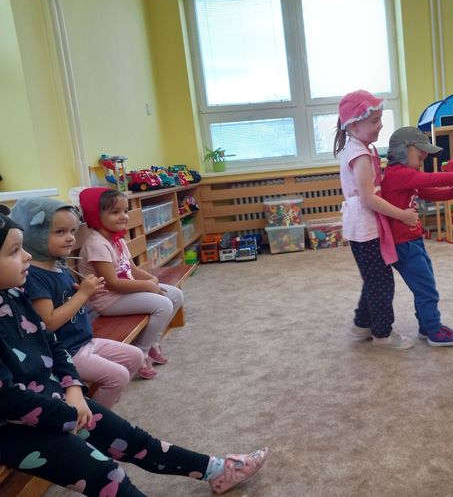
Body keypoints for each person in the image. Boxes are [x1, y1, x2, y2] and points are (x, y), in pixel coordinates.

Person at [0, 205, 268, 496]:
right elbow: (8, 400)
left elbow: (53, 344)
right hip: (15, 426)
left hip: (54, 402)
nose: (26, 255)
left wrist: (74, 390)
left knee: (135, 439)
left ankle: (216, 469)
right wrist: (68, 415)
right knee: (108, 475)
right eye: (14, 251)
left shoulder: (14, 294)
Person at [11, 197, 149, 409]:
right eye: (60, 232)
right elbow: (49, 322)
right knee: (118, 376)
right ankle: (94, 420)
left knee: (135, 356)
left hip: (85, 340)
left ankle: (100, 401)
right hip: (67, 351)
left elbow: (69, 302)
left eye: (73, 231)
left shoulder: (58, 266)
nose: (70, 238)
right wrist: (82, 295)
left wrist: (83, 294)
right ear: (34, 234)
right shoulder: (33, 276)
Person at [334, 90, 419, 350]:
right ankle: (382, 334)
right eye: (374, 121)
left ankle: (362, 325)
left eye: (380, 119)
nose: (380, 125)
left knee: (373, 278)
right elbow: (369, 198)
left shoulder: (360, 148)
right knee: (381, 282)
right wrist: (402, 215)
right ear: (353, 126)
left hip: (363, 225)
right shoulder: (359, 155)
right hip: (365, 227)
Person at [381, 127, 453, 346]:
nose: (423, 159)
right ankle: (435, 331)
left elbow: (428, 192)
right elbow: (431, 179)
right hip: (404, 244)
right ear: (403, 150)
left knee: (425, 285)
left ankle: (426, 327)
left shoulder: (406, 176)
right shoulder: (397, 173)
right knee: (427, 290)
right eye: (420, 155)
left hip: (413, 241)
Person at [78, 187, 183, 376]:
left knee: (175, 295)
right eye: (115, 212)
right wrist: (147, 286)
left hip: (124, 292)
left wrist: (151, 279)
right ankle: (141, 352)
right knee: (163, 305)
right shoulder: (96, 244)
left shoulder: (117, 239)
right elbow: (112, 283)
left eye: (125, 211)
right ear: (95, 215)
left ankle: (152, 343)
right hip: (108, 300)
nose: (124, 216)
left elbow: (132, 270)